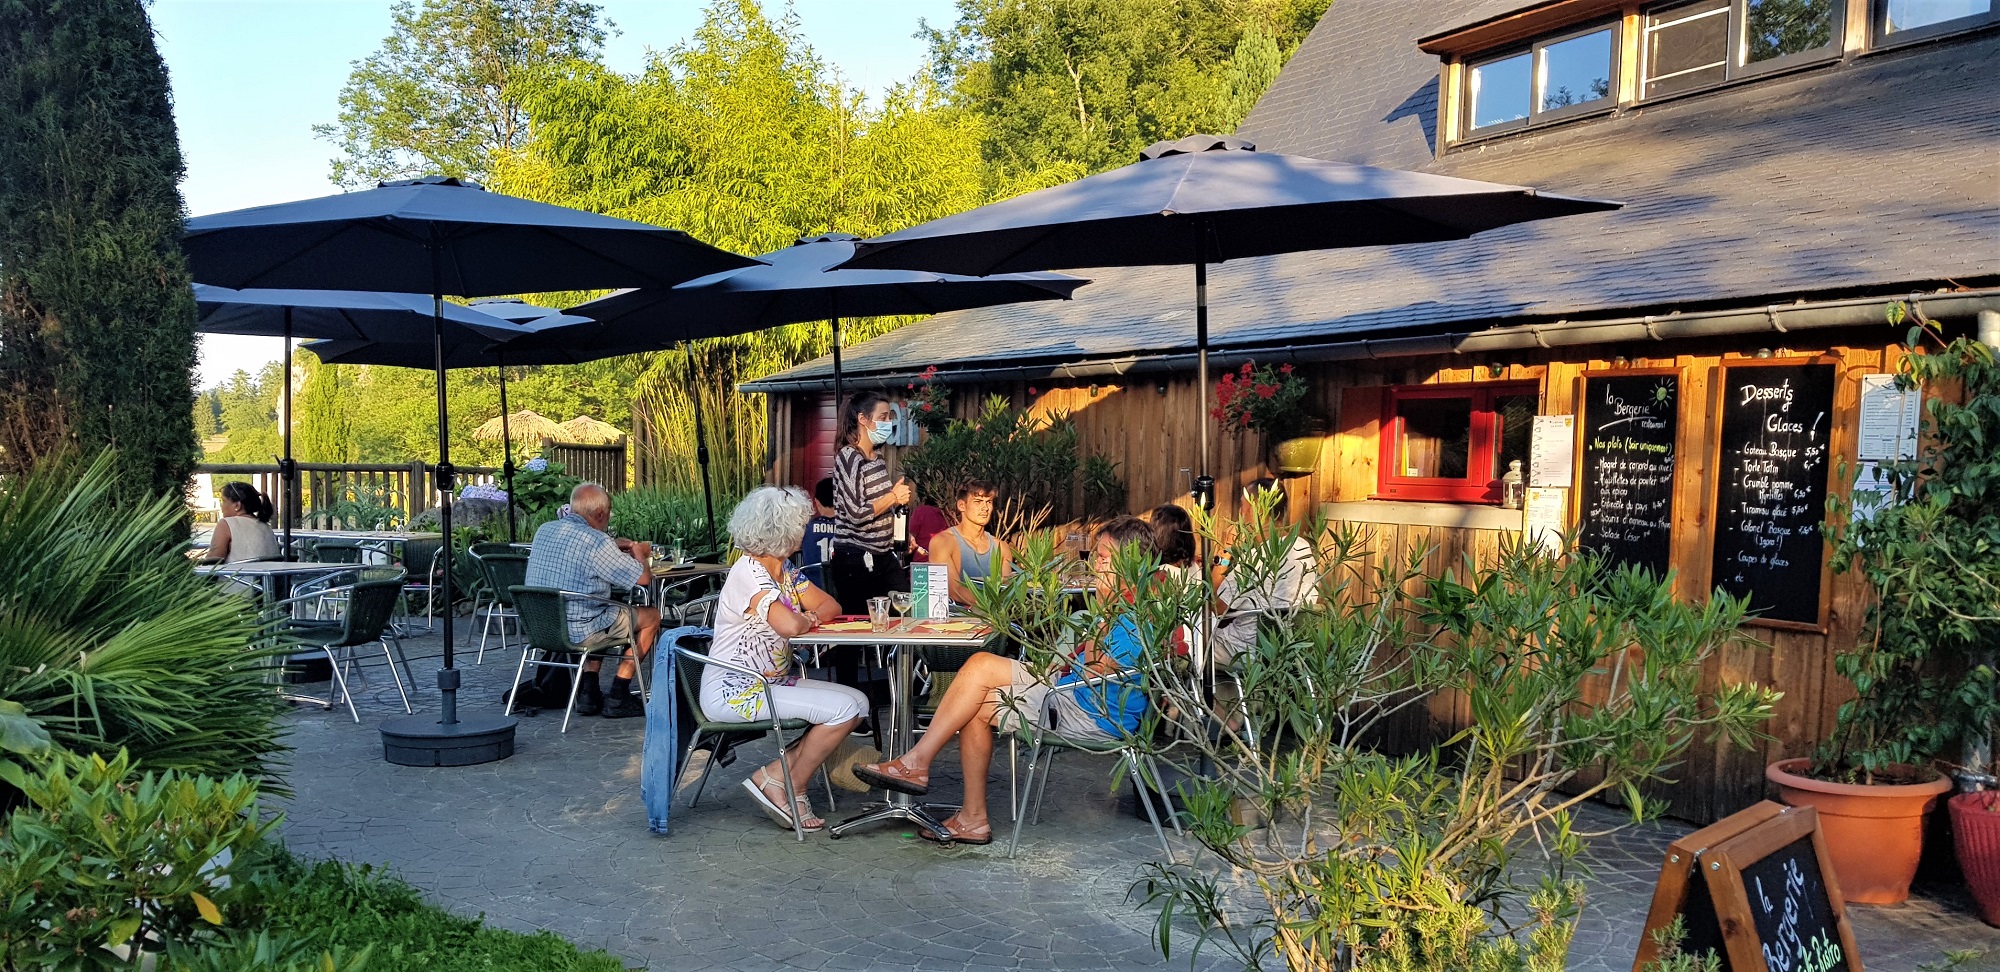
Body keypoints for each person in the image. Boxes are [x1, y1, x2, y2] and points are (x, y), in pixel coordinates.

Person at [853, 516, 1159, 845]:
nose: (1095, 565)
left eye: (1103, 558)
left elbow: (1098, 671)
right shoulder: (1125, 603)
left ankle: (922, 767)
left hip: (1091, 712)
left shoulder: (1136, 613)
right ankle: (965, 812)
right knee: (978, 691)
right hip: (1069, 690)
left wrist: (1100, 618)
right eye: (1096, 557)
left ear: (1133, 564)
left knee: (981, 667)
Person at [701, 485, 865, 833]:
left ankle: (776, 775)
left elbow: (830, 606)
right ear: (783, 530)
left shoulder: (784, 570)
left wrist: (808, 617)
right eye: (801, 524)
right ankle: (793, 785)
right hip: (737, 690)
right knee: (844, 710)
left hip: (769, 682)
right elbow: (790, 624)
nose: (805, 529)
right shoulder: (749, 572)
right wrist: (805, 618)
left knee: (859, 703)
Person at [524, 482, 660, 719]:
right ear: (600, 513)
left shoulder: (545, 530)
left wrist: (611, 546)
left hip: (543, 628)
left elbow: (579, 554)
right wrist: (636, 549)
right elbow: (643, 579)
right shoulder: (598, 542)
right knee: (651, 617)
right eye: (608, 514)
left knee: (602, 605)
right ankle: (619, 693)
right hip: (580, 631)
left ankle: (589, 692)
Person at [829, 392, 909, 713]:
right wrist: (892, 497)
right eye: (884, 416)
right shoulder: (849, 458)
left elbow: (879, 512)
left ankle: (900, 693)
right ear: (863, 419)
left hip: (882, 554)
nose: (889, 423)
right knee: (855, 630)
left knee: (905, 617)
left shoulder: (876, 459)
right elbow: (856, 513)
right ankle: (850, 709)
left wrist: (900, 520)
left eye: (891, 417)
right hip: (854, 558)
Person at [1209, 479, 1317, 666]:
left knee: (1191, 641)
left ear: (1258, 509)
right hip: (1291, 650)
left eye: (1243, 507)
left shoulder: (1254, 560)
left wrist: (1225, 550)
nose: (1240, 514)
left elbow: (1215, 605)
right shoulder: (1303, 548)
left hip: (1244, 652)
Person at [926, 481, 1014, 606]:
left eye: (988, 502)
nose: (985, 508)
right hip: (955, 620)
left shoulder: (1001, 547)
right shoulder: (943, 542)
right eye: (978, 502)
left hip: (994, 620)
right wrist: (992, 605)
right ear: (962, 505)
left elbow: (1006, 590)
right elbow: (954, 590)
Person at [208, 482, 281, 563]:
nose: (221, 505)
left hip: (238, 575)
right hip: (270, 575)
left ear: (237, 505)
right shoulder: (265, 526)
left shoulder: (226, 524)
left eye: (224, 501)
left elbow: (213, 561)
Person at [798, 477, 840, 589]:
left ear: (816, 501)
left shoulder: (806, 528)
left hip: (813, 588)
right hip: (843, 588)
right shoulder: (849, 527)